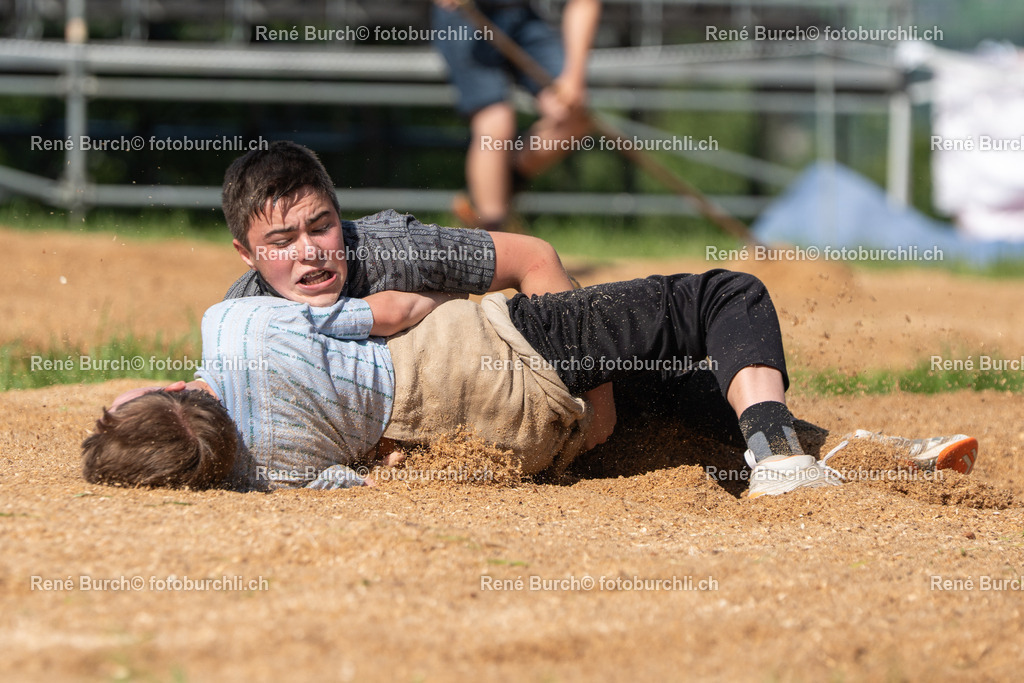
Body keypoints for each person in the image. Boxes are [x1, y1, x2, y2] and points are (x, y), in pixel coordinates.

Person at [80, 271, 980, 498]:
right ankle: (783, 454)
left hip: (517, 443)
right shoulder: (228, 324)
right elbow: (386, 314)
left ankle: (854, 456)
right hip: (487, 350)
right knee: (722, 298)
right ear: (138, 400)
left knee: (663, 387)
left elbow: (363, 476)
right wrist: (467, 300)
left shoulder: (248, 472)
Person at [431, 0, 601, 231]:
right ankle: (492, 234)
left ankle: (480, 197)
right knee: (496, 124)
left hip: (522, 16)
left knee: (573, 117)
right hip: (466, 18)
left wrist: (574, 77)